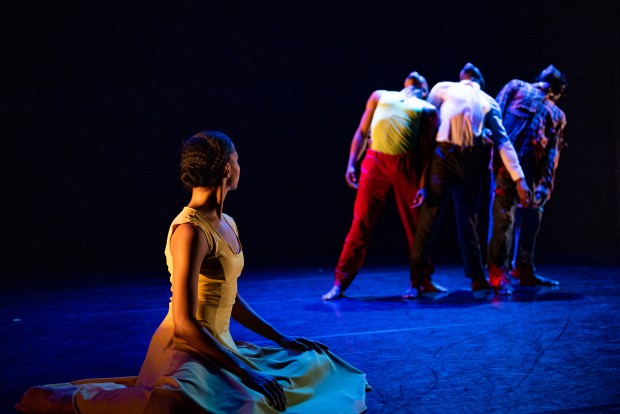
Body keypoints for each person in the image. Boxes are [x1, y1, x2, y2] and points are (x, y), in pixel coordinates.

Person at [16, 131, 369, 413]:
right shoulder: (190, 230)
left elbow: (229, 297)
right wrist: (246, 372)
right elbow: (186, 323)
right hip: (185, 346)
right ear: (227, 169)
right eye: (237, 158)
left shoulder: (227, 222)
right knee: (184, 405)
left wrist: (280, 338)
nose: (240, 164)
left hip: (219, 342)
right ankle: (67, 401)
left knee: (311, 365)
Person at [402, 63, 532, 299]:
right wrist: (421, 170)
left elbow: (503, 141)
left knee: (468, 222)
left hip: (472, 161)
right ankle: (416, 280)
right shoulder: (444, 88)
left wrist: (519, 178)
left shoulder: (487, 100)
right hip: (445, 155)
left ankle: (477, 278)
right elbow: (427, 122)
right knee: (430, 219)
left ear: (478, 80)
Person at [322, 71, 443, 300]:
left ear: (425, 91)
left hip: (405, 163)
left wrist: (422, 184)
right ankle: (340, 282)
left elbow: (427, 154)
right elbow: (362, 131)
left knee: (415, 226)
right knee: (361, 222)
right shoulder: (380, 95)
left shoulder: (427, 109)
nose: (415, 74)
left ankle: (420, 281)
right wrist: (351, 164)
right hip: (374, 160)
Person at [487, 65, 568, 286]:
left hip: (532, 170)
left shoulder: (558, 114)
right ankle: (497, 272)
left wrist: (545, 186)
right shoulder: (517, 86)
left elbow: (552, 153)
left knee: (531, 217)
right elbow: (494, 113)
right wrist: (489, 137)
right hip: (507, 163)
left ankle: (522, 268)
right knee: (504, 217)